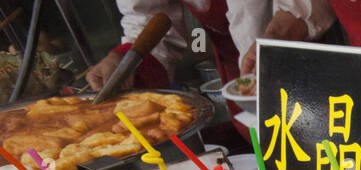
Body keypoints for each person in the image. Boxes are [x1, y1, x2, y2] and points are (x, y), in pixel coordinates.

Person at [86, 1, 336, 91]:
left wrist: (279, 35)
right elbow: (149, 18)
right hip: (238, 69)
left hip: (308, 58)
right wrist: (127, 61)